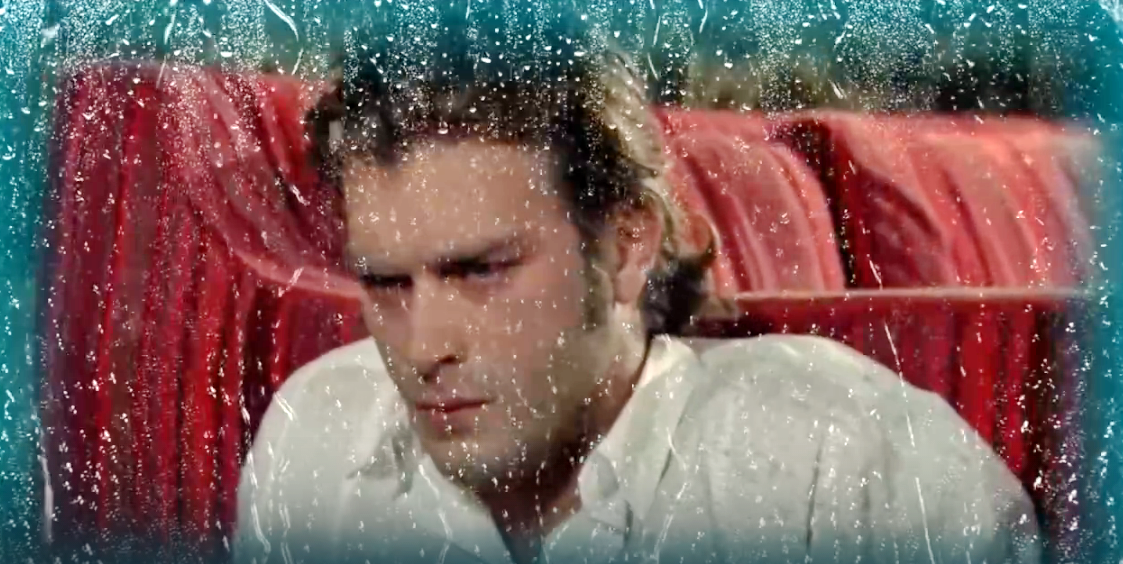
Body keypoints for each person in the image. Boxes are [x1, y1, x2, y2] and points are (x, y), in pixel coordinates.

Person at [233, 34, 1040, 564]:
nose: (421, 347)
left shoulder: (844, 465)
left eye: (480, 272)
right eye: (385, 282)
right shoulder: (317, 440)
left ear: (625, 247)